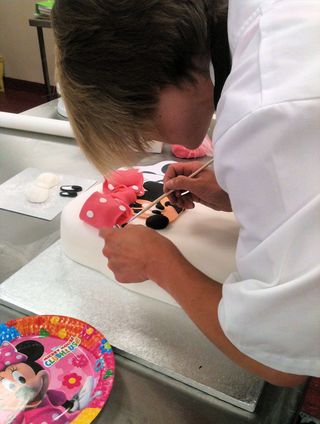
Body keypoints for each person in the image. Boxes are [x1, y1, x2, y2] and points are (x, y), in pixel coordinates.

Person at [52, 0, 320, 387]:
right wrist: (244, 192)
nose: (148, 137)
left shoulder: (269, 113)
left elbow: (284, 359)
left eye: (139, 119)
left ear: (156, 72)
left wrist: (160, 264)